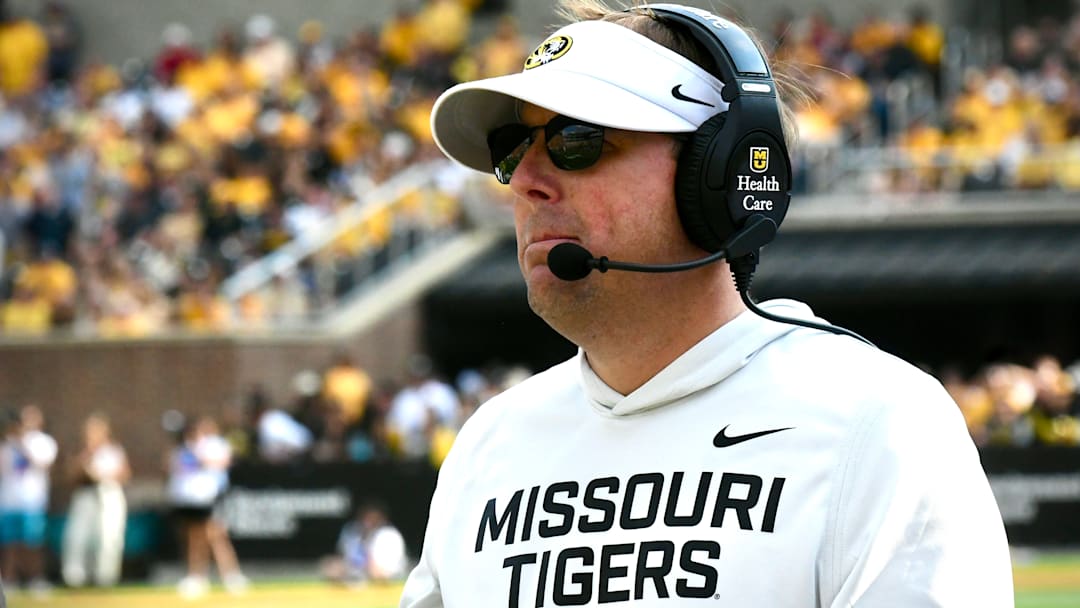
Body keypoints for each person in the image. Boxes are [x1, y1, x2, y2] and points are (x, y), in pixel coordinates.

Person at [401, 2, 1013, 607]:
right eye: (512, 149)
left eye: (577, 140)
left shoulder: (876, 424)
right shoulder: (488, 445)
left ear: (714, 172)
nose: (526, 180)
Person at [167, 415, 248, 598]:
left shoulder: (213, 445)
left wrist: (201, 459)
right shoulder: (182, 450)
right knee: (195, 537)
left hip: (211, 498)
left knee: (216, 535)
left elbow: (223, 462)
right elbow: (176, 469)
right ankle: (197, 577)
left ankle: (231, 575)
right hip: (190, 500)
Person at [61, 413, 131, 588]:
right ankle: (74, 577)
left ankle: (105, 577)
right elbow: (71, 475)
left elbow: (125, 474)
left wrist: (103, 475)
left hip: (108, 494)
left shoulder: (113, 451)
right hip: (85, 494)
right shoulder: (81, 452)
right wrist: (85, 460)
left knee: (109, 537)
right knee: (77, 536)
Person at [0, 404, 58, 597]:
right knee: (10, 543)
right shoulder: (7, 443)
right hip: (8, 501)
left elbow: (41, 464)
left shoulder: (43, 442)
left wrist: (22, 444)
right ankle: (9, 580)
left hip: (32, 501)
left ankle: (36, 580)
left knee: (33, 543)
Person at [320, 502, 408, 587]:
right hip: (356, 578)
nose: (368, 522)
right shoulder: (352, 530)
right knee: (330, 567)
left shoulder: (390, 535)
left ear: (381, 519)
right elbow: (344, 559)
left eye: (373, 518)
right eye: (365, 518)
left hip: (387, 580)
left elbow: (382, 572)